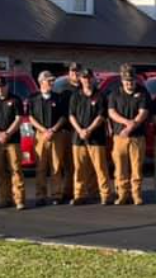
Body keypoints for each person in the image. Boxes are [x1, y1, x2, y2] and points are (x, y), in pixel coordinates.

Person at [68, 69, 111, 205]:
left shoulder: (100, 96)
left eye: (88, 77)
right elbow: (71, 115)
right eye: (84, 78)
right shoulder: (75, 95)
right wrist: (80, 130)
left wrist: (89, 129)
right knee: (79, 168)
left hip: (96, 137)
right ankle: (79, 195)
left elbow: (101, 116)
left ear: (93, 79)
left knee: (100, 168)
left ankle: (105, 195)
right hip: (78, 137)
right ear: (80, 79)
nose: (86, 80)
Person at [0, 76, 26, 210]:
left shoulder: (15, 99)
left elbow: (19, 119)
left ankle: (19, 199)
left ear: (7, 86)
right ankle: (4, 199)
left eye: (2, 86)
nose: (0, 89)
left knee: (16, 169)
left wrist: (7, 133)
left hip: (12, 141)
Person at [107, 69, 150, 206]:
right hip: (119, 137)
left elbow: (143, 113)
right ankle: (122, 195)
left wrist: (130, 128)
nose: (129, 83)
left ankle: (136, 195)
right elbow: (111, 112)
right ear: (122, 81)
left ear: (135, 80)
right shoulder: (115, 93)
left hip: (137, 137)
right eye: (126, 81)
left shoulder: (143, 93)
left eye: (131, 80)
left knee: (136, 168)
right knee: (120, 168)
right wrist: (126, 123)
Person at [28, 71, 69, 206]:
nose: (52, 83)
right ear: (41, 82)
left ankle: (56, 194)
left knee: (56, 166)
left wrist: (53, 129)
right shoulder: (33, 98)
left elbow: (63, 117)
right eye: (49, 80)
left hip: (56, 135)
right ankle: (40, 195)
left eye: (53, 80)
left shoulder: (58, 98)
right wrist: (43, 130)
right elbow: (31, 117)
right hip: (40, 136)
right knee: (41, 167)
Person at [57, 62, 82, 202]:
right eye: (72, 72)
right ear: (69, 73)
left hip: (81, 131)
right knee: (65, 164)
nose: (75, 74)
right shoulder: (62, 89)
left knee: (78, 164)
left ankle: (78, 191)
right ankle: (65, 191)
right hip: (66, 130)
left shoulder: (85, 88)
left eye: (77, 72)